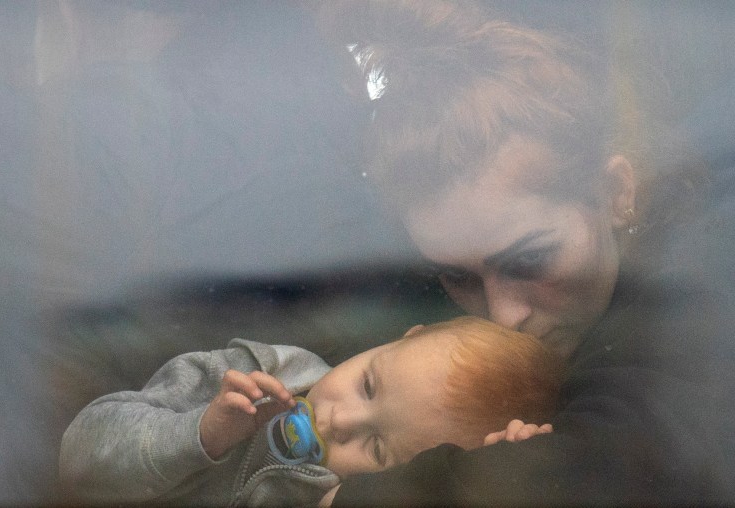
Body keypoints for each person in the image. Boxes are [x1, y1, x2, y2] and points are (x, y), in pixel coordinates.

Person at [311, 1, 735, 505]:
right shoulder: (405, 315)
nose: (502, 317)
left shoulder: (694, 313)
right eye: (457, 277)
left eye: (530, 260)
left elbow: (607, 467)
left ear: (615, 193)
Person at [58, 316, 562, 505]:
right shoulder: (248, 375)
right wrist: (200, 434)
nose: (339, 422)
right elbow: (77, 457)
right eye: (368, 385)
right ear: (402, 338)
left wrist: (494, 480)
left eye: (377, 449)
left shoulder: (342, 497)